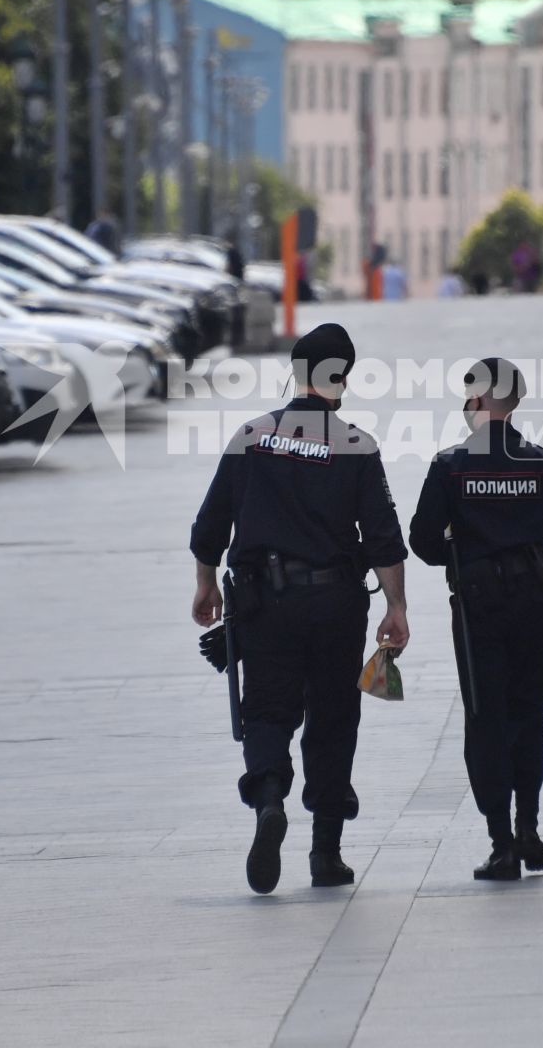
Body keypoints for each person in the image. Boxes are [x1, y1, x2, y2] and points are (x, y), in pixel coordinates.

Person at [190, 323, 410, 895]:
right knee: (333, 718)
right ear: (342, 378)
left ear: (296, 370)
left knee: (266, 709)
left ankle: (268, 800)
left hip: (264, 602)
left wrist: (205, 585)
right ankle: (325, 854)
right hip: (335, 602)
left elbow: (210, 523)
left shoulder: (251, 435)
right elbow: (384, 539)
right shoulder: (357, 445)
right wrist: (396, 608)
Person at [408, 358, 543, 881]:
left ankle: (501, 842)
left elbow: (422, 539)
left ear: (486, 402)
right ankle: (529, 826)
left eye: (469, 398)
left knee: (485, 717)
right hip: (536, 603)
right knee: (529, 715)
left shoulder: (450, 466)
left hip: (479, 605)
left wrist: (462, 551)